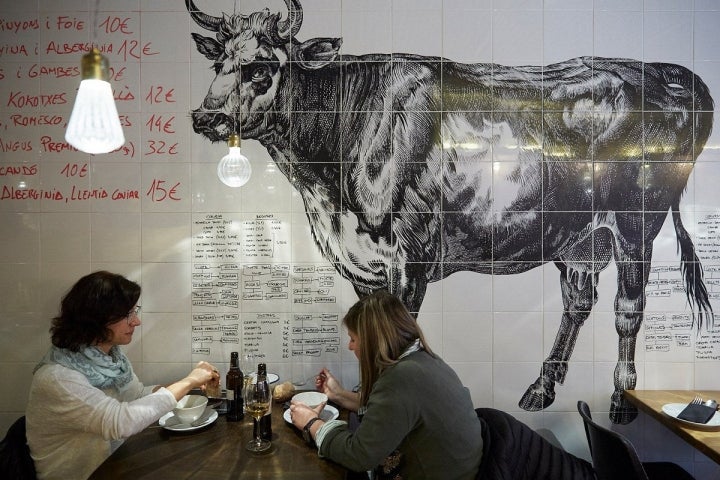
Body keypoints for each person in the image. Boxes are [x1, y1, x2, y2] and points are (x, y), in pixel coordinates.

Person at [25, 271, 220, 480]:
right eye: (127, 315)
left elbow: (136, 395)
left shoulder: (111, 358)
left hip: (116, 465)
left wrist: (192, 385)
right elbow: (120, 422)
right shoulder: (58, 378)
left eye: (134, 312)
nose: (136, 322)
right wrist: (189, 380)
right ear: (97, 318)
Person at [289, 290, 483, 480]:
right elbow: (390, 413)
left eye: (353, 339)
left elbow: (359, 455)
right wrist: (339, 394)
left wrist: (312, 424)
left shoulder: (402, 379)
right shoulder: (421, 361)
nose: (350, 346)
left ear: (373, 341)